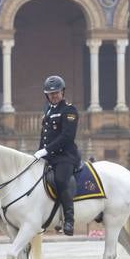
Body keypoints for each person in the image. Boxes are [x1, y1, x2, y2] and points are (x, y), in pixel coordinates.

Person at [38, 74, 80, 236]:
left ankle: (69, 220)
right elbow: (45, 136)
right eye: (50, 93)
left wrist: (46, 150)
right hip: (49, 156)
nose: (54, 96)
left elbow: (67, 137)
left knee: (61, 180)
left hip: (65, 156)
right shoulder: (48, 111)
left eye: (56, 93)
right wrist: (39, 152)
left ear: (63, 92)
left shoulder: (69, 110)